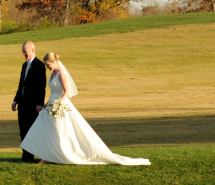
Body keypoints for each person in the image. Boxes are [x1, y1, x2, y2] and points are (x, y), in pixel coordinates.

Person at [20, 52, 150, 166]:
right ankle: (48, 155)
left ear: (54, 62)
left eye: (49, 65)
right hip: (51, 105)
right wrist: (47, 104)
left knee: (61, 131)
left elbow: (66, 91)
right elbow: (53, 91)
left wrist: (58, 103)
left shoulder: (61, 74)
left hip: (60, 104)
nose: (48, 68)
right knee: (46, 129)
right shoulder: (52, 74)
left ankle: (63, 153)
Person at [12, 41, 47, 163]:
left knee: (30, 129)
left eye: (25, 52)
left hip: (32, 104)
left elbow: (41, 86)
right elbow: (21, 85)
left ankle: (30, 156)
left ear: (32, 50)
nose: (24, 54)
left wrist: (39, 103)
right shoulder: (24, 65)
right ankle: (25, 155)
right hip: (22, 103)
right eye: (23, 52)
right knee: (23, 128)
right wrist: (15, 100)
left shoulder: (39, 65)